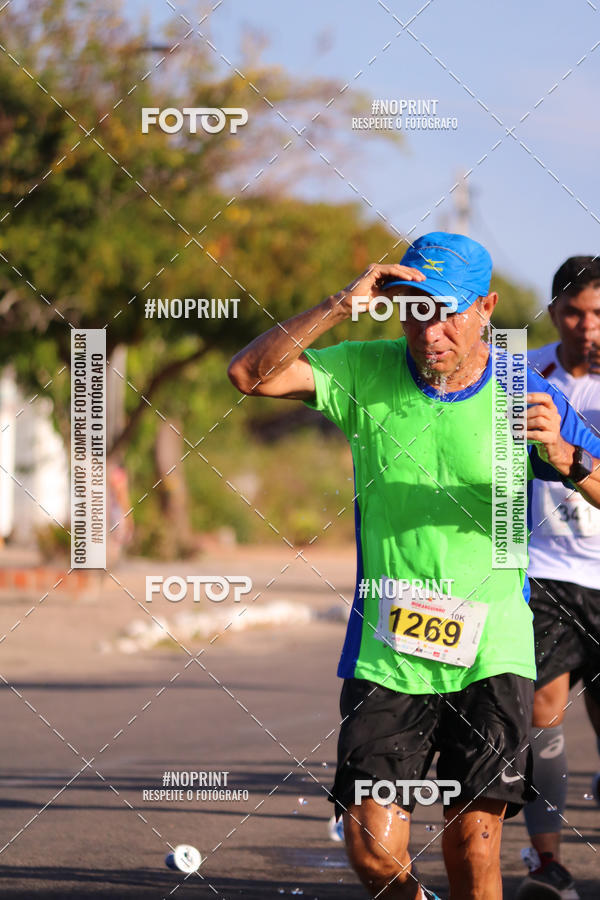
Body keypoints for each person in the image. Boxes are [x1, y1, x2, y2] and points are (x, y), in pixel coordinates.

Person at [228, 232, 600, 900]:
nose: (430, 332)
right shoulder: (364, 371)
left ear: (486, 307)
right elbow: (249, 375)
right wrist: (340, 305)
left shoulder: (524, 392)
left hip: (493, 649)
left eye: (448, 312)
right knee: (372, 853)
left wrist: (569, 459)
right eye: (414, 311)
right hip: (388, 653)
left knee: (473, 853)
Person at [518, 257, 600, 900]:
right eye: (574, 311)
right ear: (553, 313)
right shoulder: (522, 372)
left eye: (599, 314)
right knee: (542, 712)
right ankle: (547, 863)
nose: (586, 325)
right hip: (544, 568)